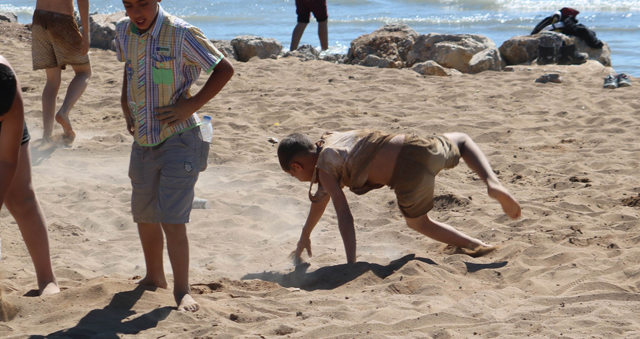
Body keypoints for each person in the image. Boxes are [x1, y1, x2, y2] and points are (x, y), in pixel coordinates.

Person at [116, 0, 234, 312]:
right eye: (129, 5)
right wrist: (125, 104)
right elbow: (130, 68)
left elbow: (224, 68)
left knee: (171, 217)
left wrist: (191, 105)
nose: (136, 12)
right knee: (143, 212)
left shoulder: (181, 34)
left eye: (143, 4)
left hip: (179, 139)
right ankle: (154, 276)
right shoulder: (123, 31)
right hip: (143, 139)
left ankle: (183, 291)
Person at [278, 130, 521, 264]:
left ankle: (474, 245)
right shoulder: (330, 140)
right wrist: (304, 237)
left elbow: (344, 217)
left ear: (297, 167)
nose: (298, 179)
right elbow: (319, 202)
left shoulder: (324, 170)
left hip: (407, 176)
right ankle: (492, 182)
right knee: (462, 140)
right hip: (416, 145)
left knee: (419, 223)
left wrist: (351, 264)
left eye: (293, 175)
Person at [0, 56, 60, 296]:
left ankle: (47, 279)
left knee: (21, 197)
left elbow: (5, 161)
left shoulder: (7, 91)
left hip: (7, 115)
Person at [32, 0, 93, 143]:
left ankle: (47, 135)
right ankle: (64, 111)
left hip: (39, 19)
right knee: (84, 72)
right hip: (62, 20)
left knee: (52, 81)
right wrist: (86, 31)